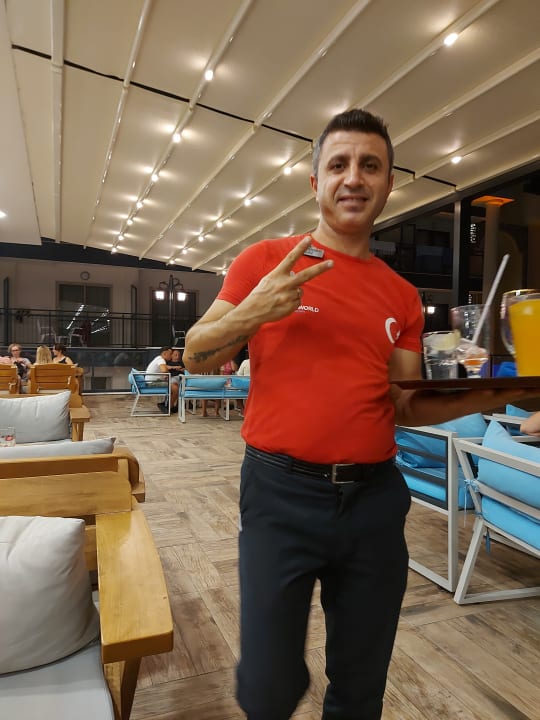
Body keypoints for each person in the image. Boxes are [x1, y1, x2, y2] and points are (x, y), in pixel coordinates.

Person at [183, 108, 539, 720]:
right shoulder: (267, 260)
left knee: (360, 683)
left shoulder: (400, 295)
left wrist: (509, 391)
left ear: (389, 183)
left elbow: (406, 405)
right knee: (268, 686)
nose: (354, 177)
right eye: (339, 164)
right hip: (279, 496)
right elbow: (197, 353)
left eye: (370, 165)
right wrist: (256, 309)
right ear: (315, 181)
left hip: (374, 502)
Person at [145, 346, 179, 413]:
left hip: (151, 382)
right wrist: (166, 374)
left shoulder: (158, 358)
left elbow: (164, 369)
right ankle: (170, 407)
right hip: (152, 383)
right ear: (164, 353)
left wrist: (165, 375)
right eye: (170, 354)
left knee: (173, 384)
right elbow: (164, 370)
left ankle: (165, 404)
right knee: (175, 388)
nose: (171, 355)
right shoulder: (161, 360)